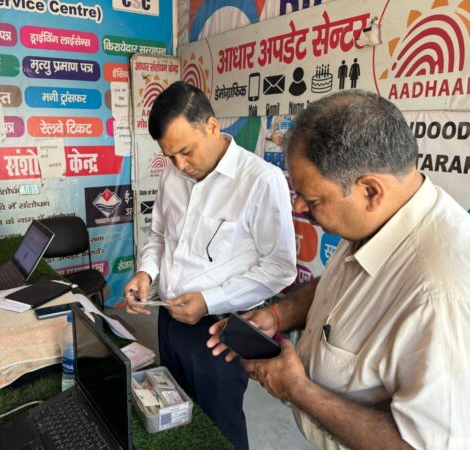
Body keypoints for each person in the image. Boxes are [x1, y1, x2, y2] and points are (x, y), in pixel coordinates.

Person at [208, 90, 470, 449]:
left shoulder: (441, 294)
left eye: (313, 199)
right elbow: (341, 287)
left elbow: (423, 445)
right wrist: (278, 315)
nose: (299, 207)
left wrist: (297, 389)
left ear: (371, 191)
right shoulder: (379, 218)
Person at [124, 81, 297, 449]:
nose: (180, 165)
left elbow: (280, 268)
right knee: (177, 418)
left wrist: (208, 300)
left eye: (186, 151)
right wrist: (146, 272)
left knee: (220, 430)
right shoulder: (173, 175)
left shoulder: (261, 181)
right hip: (168, 320)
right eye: (170, 156)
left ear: (212, 126)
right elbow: (159, 236)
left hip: (219, 332)